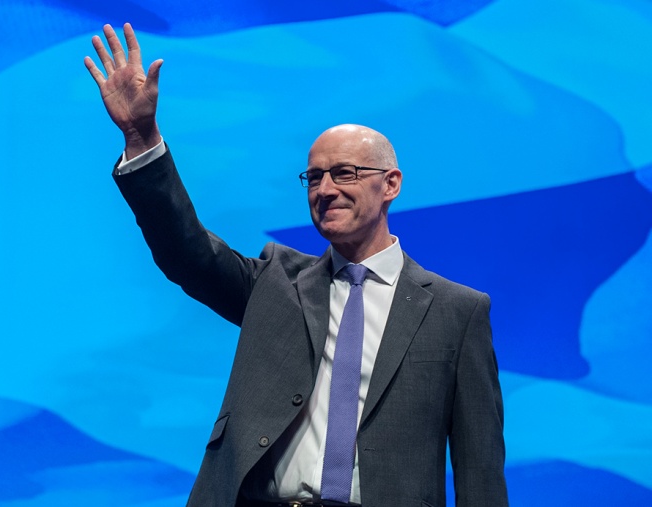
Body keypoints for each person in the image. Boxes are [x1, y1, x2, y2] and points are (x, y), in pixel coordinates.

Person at [85, 23, 508, 507]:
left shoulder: (457, 312)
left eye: (345, 173)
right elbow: (187, 253)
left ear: (390, 184)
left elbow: (480, 473)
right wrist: (142, 138)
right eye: (314, 177)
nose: (325, 189)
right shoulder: (276, 281)